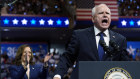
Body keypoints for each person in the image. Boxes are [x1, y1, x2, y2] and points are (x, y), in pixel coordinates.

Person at [53, 4, 130, 79]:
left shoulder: (120, 39)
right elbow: (68, 58)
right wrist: (58, 75)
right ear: (93, 19)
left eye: (107, 13)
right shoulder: (79, 35)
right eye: (101, 13)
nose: (105, 15)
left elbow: (126, 64)